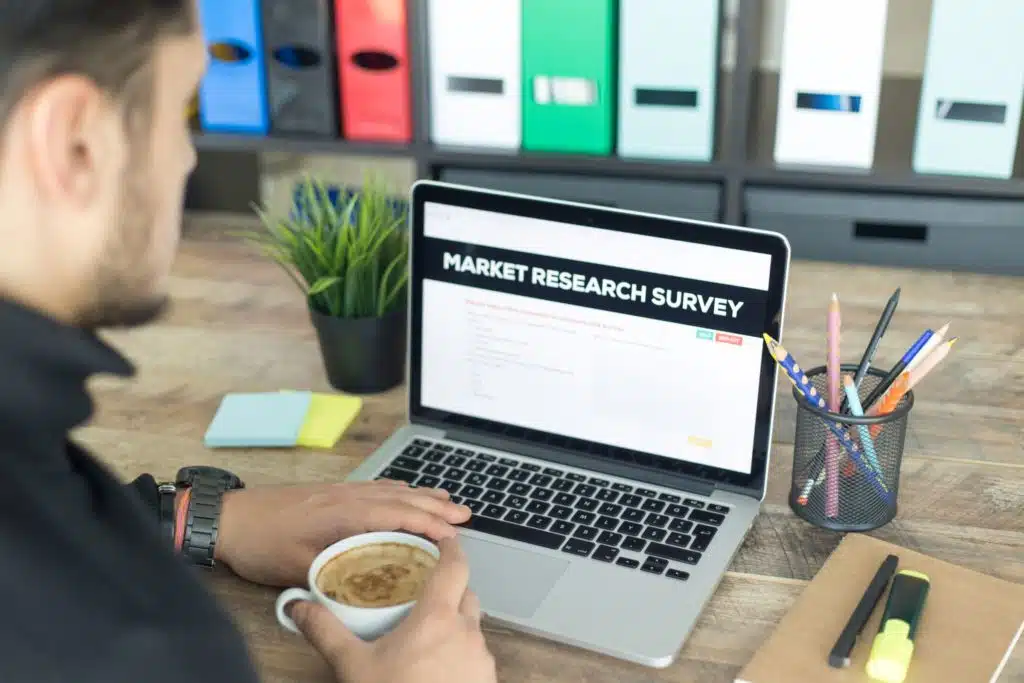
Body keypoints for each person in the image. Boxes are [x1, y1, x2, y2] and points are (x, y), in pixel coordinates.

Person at [0, 2, 497, 682]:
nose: (186, 157)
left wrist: (205, 518)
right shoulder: (135, 640)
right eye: (180, 115)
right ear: (73, 142)